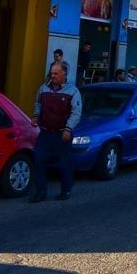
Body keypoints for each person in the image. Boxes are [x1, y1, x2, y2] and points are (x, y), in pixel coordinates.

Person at [30, 63, 82, 202]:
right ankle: (40, 191)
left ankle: (65, 190)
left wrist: (68, 128)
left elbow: (76, 113)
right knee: (39, 160)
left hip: (62, 133)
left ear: (64, 74)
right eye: (52, 73)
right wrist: (36, 115)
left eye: (56, 74)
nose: (52, 76)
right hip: (46, 132)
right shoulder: (43, 88)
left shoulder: (73, 91)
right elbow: (38, 104)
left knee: (65, 163)